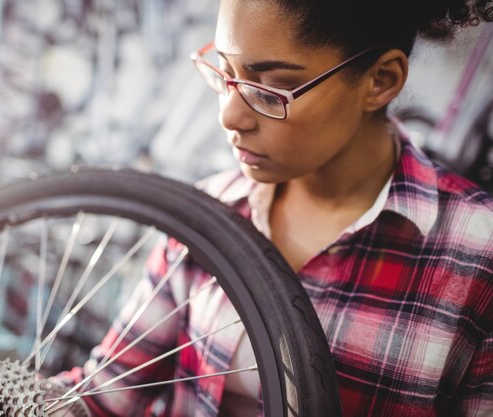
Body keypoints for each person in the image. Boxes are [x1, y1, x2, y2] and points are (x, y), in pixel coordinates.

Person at [52, 0, 493, 415]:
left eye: (271, 88)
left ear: (380, 80)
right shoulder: (210, 212)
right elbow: (106, 395)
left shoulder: (477, 255)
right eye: (224, 72)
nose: (229, 116)